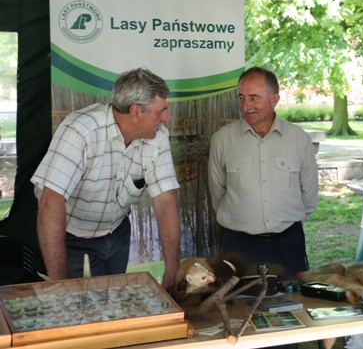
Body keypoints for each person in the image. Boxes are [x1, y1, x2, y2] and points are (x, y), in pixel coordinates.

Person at [31, 67, 181, 289]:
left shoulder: (157, 137)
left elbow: (165, 199)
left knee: (113, 304)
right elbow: (49, 202)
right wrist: (59, 284)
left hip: (118, 234)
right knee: (81, 310)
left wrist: (172, 270)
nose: (166, 119)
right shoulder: (81, 130)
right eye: (160, 112)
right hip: (74, 239)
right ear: (136, 112)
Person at [208, 66, 319, 281]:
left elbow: (309, 194)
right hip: (237, 245)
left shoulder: (298, 139)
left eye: (254, 98)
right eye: (241, 98)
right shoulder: (222, 140)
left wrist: (283, 222)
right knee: (236, 307)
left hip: (287, 243)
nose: (245, 106)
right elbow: (217, 193)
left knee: (292, 303)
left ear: (274, 99)